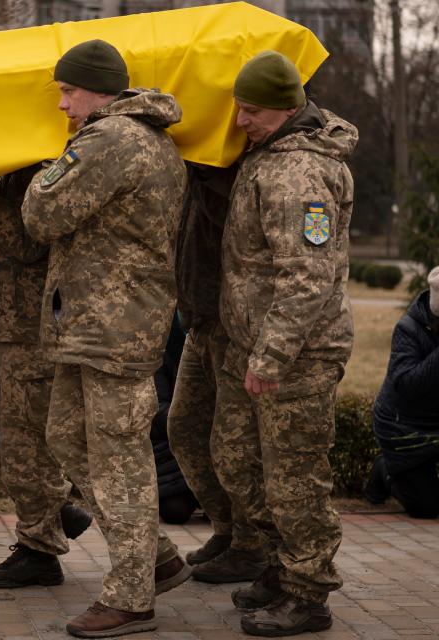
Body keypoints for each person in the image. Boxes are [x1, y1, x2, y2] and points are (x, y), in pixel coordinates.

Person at [21, 39, 190, 638]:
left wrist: (41, 173)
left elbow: (40, 213)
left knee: (119, 458)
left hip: (114, 329)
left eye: (68, 91)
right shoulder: (132, 138)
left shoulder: (113, 140)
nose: (63, 104)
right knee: (67, 438)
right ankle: (157, 556)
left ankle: (131, 597)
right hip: (92, 324)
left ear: (98, 89)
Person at [211, 51, 357, 636]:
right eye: (238, 108)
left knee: (295, 475)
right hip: (253, 345)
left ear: (287, 107)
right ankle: (278, 566)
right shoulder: (268, 155)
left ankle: (308, 593)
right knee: (237, 458)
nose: (240, 120)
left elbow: (307, 275)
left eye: (251, 111)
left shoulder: (300, 174)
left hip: (298, 355)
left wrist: (271, 355)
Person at [0, 160, 92, 591]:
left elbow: (29, 243)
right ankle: (53, 507)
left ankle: (39, 552)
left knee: (24, 446)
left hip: (26, 335)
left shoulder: (41, 174)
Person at [166, 162, 268, 584]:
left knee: (234, 446)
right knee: (184, 429)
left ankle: (252, 545)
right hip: (199, 321)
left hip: (232, 327)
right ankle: (227, 530)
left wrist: (206, 175)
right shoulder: (195, 166)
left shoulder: (237, 170)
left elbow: (232, 229)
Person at [366, 266, 439, 519]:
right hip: (404, 428)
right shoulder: (408, 329)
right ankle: (385, 470)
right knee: (427, 507)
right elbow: (407, 384)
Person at [152, 313, 200, 526]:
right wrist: (196, 419)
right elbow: (156, 410)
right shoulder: (160, 345)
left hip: (211, 443)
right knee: (174, 510)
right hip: (171, 446)